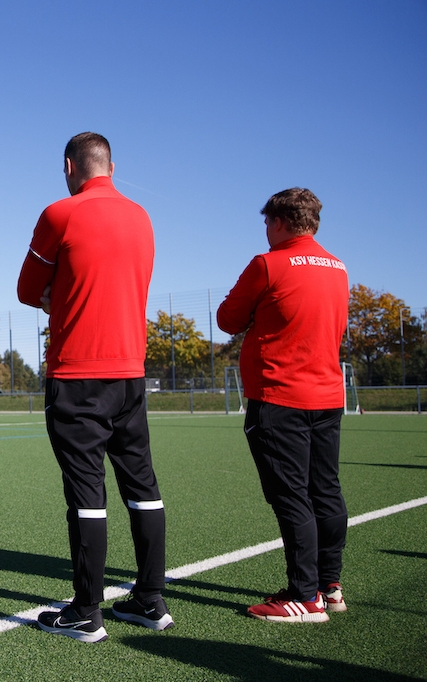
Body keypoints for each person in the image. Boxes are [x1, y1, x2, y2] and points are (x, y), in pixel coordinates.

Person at [17, 132, 172, 643]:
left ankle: (86, 612)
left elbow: (26, 290)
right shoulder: (142, 216)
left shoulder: (59, 213)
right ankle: (150, 600)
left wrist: (58, 294)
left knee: (87, 493)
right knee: (142, 486)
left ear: (69, 166)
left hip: (77, 373)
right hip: (130, 373)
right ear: (112, 166)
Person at [217, 188, 349, 623]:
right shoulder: (338, 267)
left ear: (278, 222)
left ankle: (303, 595)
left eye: (266, 223)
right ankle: (330, 586)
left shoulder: (268, 264)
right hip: (327, 395)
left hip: (279, 397)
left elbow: (227, 319)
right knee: (325, 489)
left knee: (291, 496)